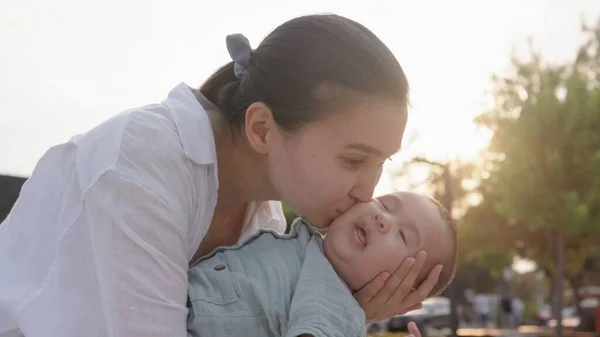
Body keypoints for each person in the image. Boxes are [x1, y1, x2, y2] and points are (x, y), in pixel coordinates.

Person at [0, 14, 441, 337]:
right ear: (262, 128)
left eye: (381, 163)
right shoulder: (140, 167)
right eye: (353, 160)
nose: (368, 192)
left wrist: (331, 310)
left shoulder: (268, 224)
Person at [187, 192, 456, 337]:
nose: (383, 219)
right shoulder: (305, 247)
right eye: (385, 204)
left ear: (401, 291)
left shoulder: (334, 298)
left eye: (402, 235)